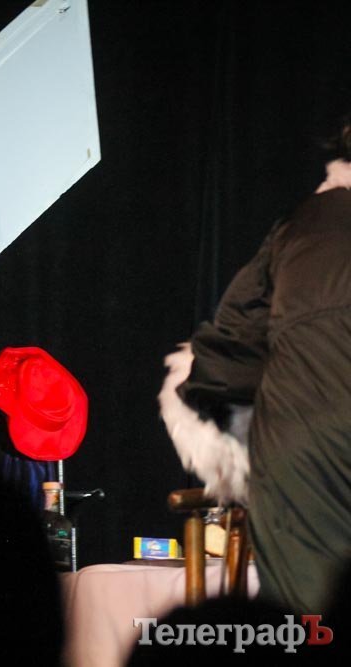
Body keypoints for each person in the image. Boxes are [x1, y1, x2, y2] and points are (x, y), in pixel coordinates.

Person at [160, 115, 351, 615]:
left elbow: (230, 350)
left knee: (312, 619)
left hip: (302, 449)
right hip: (307, 440)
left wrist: (208, 416)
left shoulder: (304, 223)